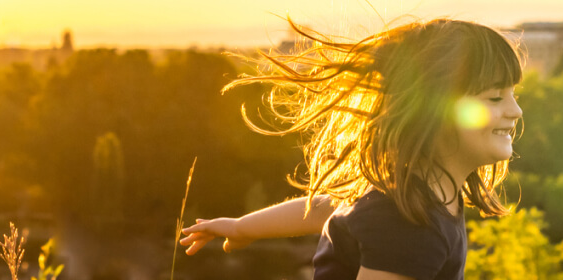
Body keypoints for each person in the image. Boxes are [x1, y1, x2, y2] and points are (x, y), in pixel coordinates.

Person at [179, 17, 525, 280]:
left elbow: (330, 209)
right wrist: (241, 228)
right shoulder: (409, 225)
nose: (516, 111)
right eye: (495, 97)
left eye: (513, 94)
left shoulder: (408, 195)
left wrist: (242, 228)